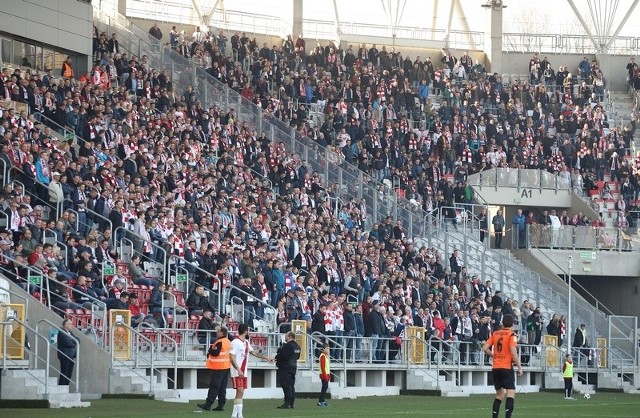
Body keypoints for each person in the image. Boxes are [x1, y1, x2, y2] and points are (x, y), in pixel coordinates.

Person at [482, 314, 523, 418]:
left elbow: (485, 348)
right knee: (510, 393)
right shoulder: (512, 335)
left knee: (499, 395)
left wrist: (494, 356)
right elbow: (513, 352)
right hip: (506, 367)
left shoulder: (495, 333)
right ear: (513, 324)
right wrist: (519, 367)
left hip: (496, 368)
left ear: (502, 323)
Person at [229, 323, 273, 418]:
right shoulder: (235, 342)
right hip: (237, 371)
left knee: (240, 393)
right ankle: (240, 415)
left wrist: (266, 358)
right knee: (240, 391)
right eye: (248, 330)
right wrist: (238, 369)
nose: (249, 332)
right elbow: (231, 357)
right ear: (245, 331)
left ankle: (234, 415)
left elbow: (254, 352)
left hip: (243, 371)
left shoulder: (246, 342)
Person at [198, 326, 237, 412]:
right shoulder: (228, 341)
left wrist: (210, 349)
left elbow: (215, 353)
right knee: (222, 388)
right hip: (226, 367)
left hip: (219, 367)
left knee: (214, 386)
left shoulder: (220, 342)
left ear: (222, 333)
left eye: (218, 331)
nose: (217, 333)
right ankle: (221, 405)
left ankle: (208, 404)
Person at [275, 331, 301, 409]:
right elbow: (297, 357)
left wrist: (278, 355)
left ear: (289, 337)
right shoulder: (297, 346)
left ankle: (287, 403)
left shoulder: (288, 346)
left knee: (286, 385)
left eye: (286, 336)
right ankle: (292, 403)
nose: (285, 337)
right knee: (291, 386)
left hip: (286, 368)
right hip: (293, 367)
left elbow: (284, 357)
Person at [57, 318, 77, 385]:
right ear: (65, 325)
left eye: (71, 324)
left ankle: (66, 386)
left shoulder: (70, 333)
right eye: (69, 324)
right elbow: (68, 343)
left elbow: (77, 340)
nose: (71, 325)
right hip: (65, 356)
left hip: (71, 356)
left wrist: (73, 342)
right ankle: (61, 387)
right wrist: (74, 342)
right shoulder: (61, 332)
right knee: (64, 373)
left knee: (69, 374)